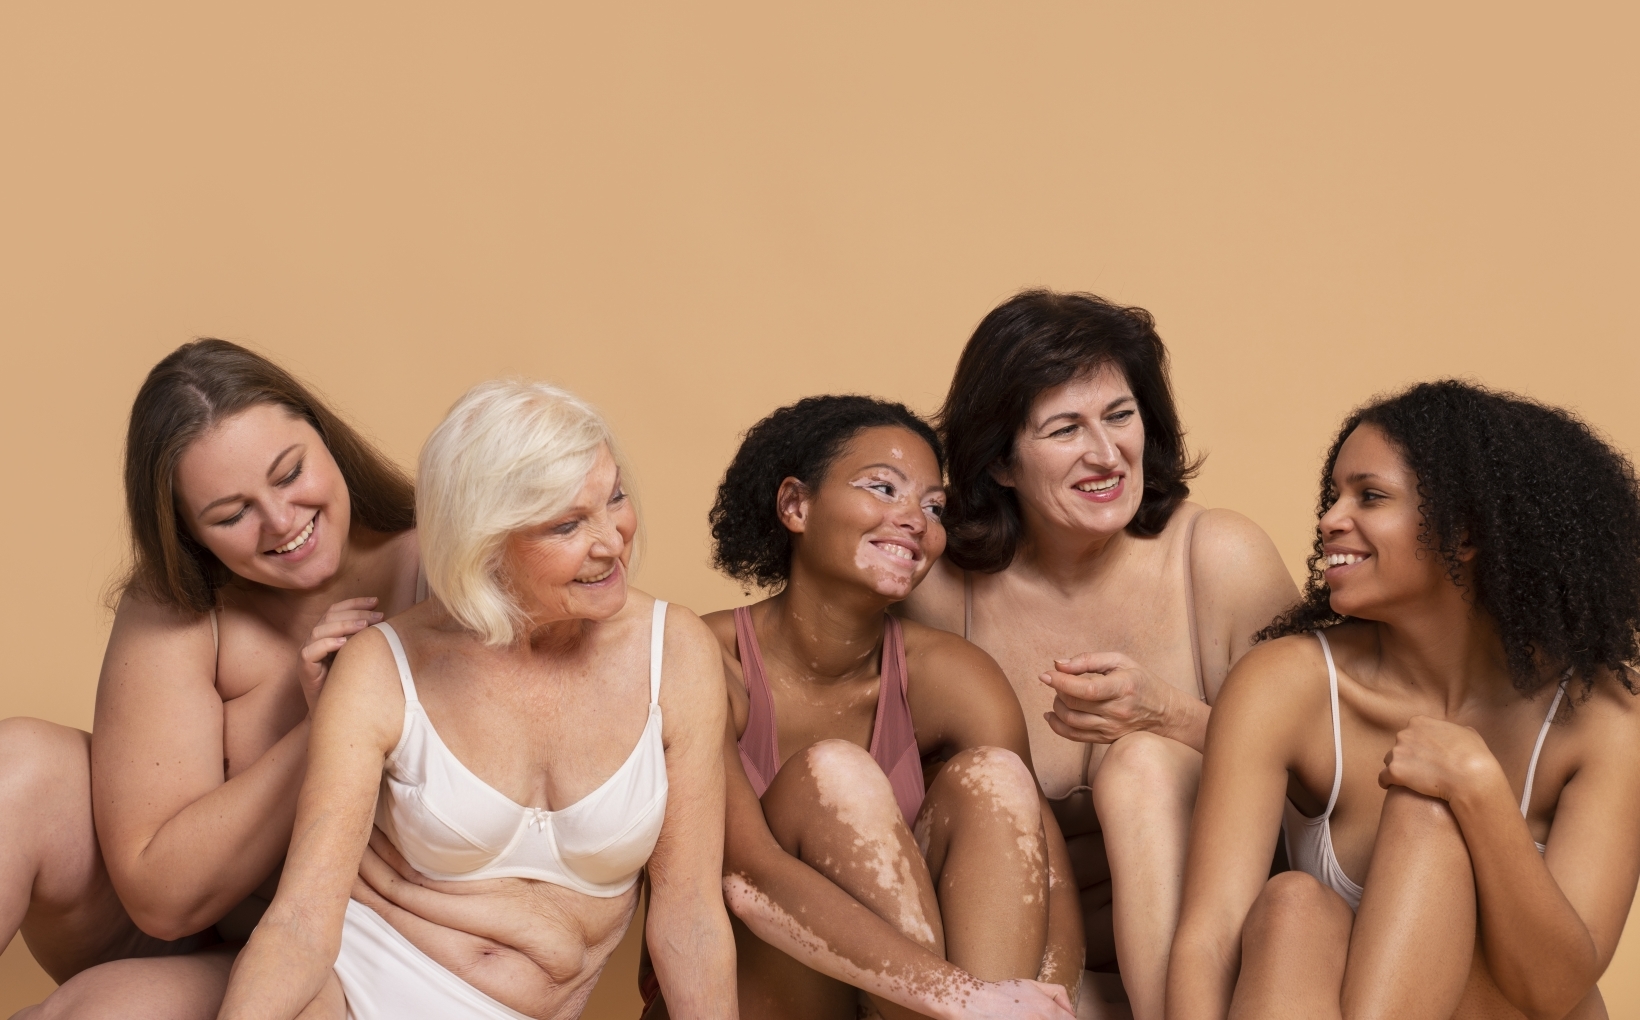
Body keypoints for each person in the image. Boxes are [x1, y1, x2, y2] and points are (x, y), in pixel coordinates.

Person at [217, 379, 735, 1020]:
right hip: (355, 989)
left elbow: (690, 916)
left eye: (616, 497)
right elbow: (300, 921)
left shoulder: (675, 651)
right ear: (483, 545)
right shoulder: (382, 666)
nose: (612, 541)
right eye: (567, 525)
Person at [1167, 380, 1640, 1019]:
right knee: (1291, 909)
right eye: (1335, 495)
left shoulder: (1601, 720)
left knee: (1431, 814)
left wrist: (1478, 791)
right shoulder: (1285, 683)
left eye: (1371, 496)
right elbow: (1212, 933)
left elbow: (1558, 989)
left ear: (1466, 530)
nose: (1330, 518)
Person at [899, 290, 1297, 1020]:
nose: (1107, 453)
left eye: (1120, 415)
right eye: (1064, 429)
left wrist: (1170, 716)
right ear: (1001, 463)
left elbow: (1329, 775)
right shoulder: (944, 586)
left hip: (1213, 979)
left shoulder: (1219, 557)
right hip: (1037, 977)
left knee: (1141, 761)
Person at [0, 338, 420, 1019]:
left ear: (324, 436)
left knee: (87, 1011)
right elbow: (161, 898)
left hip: (344, 955)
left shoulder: (438, 560)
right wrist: (321, 726)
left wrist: (354, 708)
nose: (281, 523)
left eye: (289, 474)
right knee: (14, 769)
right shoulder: (182, 602)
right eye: (231, 515)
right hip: (181, 922)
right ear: (189, 533)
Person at [700, 394, 1083, 1020]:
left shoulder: (953, 677)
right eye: (883, 488)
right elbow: (747, 880)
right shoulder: (703, 659)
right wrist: (967, 1000)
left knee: (997, 776)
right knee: (836, 775)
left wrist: (1037, 1007)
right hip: (747, 993)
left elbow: (1052, 890)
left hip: (910, 1010)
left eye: (933, 507)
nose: (915, 520)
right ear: (796, 505)